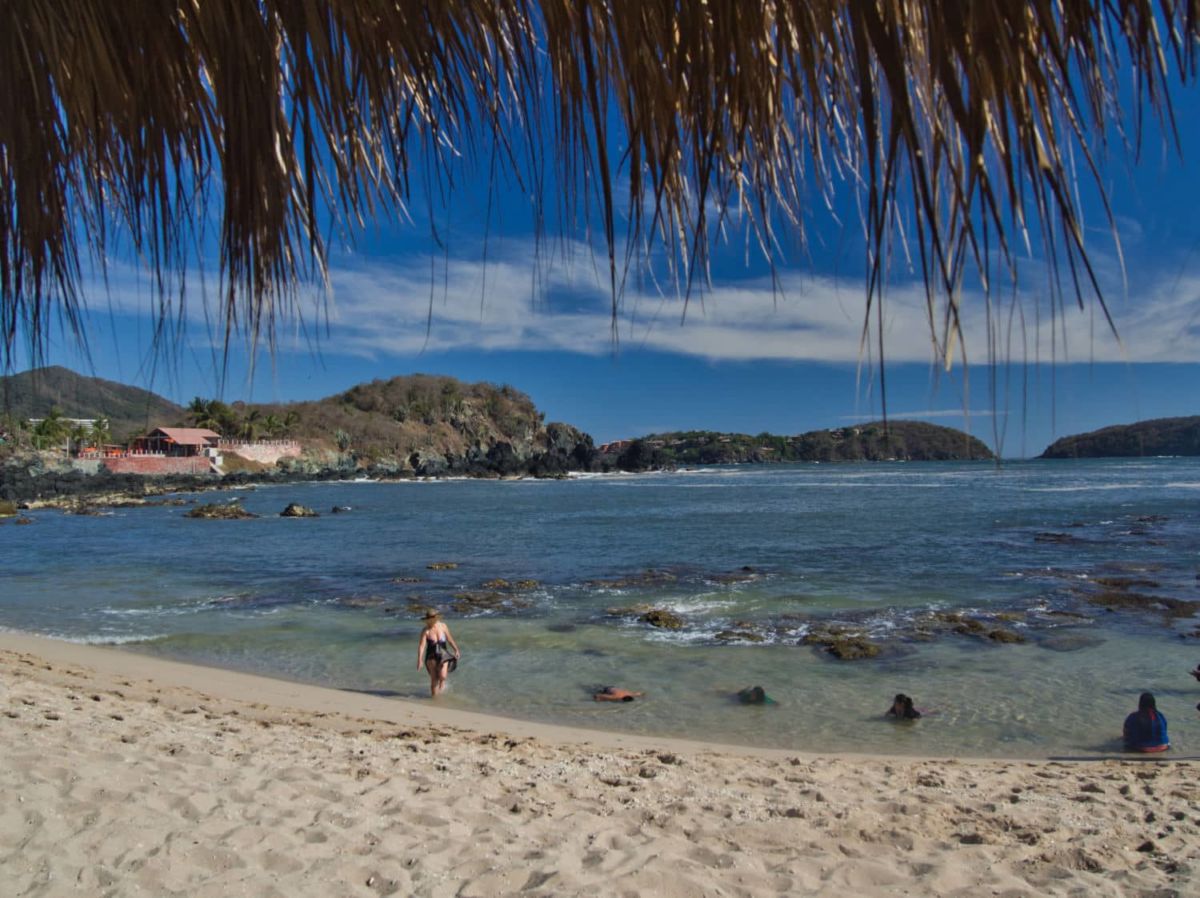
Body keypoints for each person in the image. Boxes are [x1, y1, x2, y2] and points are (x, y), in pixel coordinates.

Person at [416, 610, 460, 698]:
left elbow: (449, 639)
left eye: (433, 619)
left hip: (444, 655)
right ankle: (434, 699)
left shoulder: (443, 626)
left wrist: (456, 649)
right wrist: (419, 660)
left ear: (436, 618)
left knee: (443, 676)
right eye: (429, 620)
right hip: (431, 656)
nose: (431, 621)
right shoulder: (426, 630)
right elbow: (422, 646)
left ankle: (441, 690)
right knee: (434, 679)